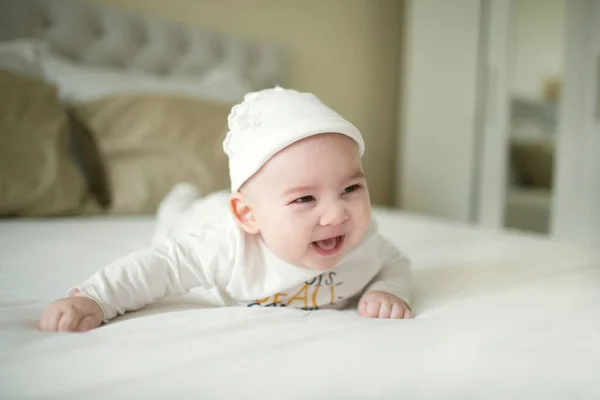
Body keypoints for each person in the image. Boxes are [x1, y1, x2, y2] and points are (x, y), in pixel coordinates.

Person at [38, 87, 413, 333]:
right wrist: (96, 298)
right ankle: (177, 202)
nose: (337, 215)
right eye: (305, 199)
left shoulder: (364, 241)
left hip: (237, 208)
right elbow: (164, 266)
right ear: (248, 216)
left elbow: (395, 263)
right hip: (206, 219)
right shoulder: (225, 248)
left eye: (350, 188)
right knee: (176, 224)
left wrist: (388, 290)